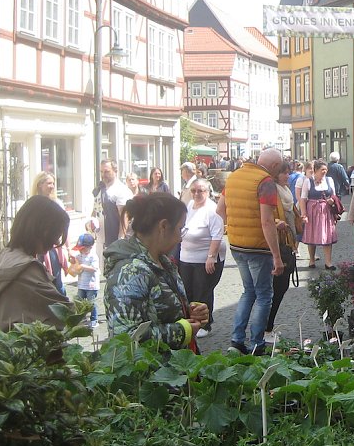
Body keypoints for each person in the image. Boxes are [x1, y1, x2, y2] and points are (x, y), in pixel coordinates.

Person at [104, 192, 209, 350]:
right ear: (163, 226)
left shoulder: (162, 261)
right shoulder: (129, 273)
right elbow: (127, 339)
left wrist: (190, 312)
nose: (180, 238)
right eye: (180, 229)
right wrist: (182, 331)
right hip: (155, 366)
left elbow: (163, 312)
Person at [216, 148, 285, 355]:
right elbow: (266, 221)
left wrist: (233, 228)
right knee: (264, 295)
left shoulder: (234, 177)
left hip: (237, 245)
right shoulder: (265, 181)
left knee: (248, 291)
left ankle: (237, 340)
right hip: (258, 247)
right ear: (274, 166)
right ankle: (257, 343)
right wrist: (277, 256)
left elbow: (220, 210)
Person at [0, 195, 72, 330]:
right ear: (41, 230)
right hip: (19, 342)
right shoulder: (27, 269)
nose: (56, 241)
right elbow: (66, 313)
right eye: (55, 233)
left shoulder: (5, 256)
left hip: (3, 340)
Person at [178, 178, 226, 339]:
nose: (196, 194)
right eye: (193, 191)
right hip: (186, 256)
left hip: (205, 258)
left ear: (208, 192)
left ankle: (205, 323)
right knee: (187, 291)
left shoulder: (212, 209)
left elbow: (217, 235)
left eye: (201, 191)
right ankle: (190, 321)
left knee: (202, 291)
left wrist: (211, 257)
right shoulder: (189, 205)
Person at [266, 161, 299, 343]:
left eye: (288, 172)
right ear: (275, 174)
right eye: (283, 173)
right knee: (276, 288)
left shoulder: (286, 192)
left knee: (281, 287)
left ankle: (267, 326)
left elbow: (292, 213)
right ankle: (266, 328)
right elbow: (265, 216)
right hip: (277, 244)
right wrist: (277, 222)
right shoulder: (273, 191)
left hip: (288, 244)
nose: (287, 176)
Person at [31, 171, 69, 294]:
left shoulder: (57, 203)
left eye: (53, 183)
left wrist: (67, 248)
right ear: (39, 185)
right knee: (38, 280)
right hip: (36, 247)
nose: (52, 186)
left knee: (56, 280)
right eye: (49, 183)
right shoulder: (33, 203)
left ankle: (62, 303)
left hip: (53, 247)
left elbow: (65, 227)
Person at [299, 160, 339, 270]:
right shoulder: (308, 181)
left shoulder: (329, 180)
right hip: (312, 211)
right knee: (311, 234)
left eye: (326, 169)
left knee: (327, 234)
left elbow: (334, 196)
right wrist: (304, 214)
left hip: (326, 211)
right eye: (322, 170)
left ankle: (328, 262)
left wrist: (332, 201)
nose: (325, 171)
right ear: (315, 170)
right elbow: (303, 199)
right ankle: (311, 260)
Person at [93, 159, 132, 251]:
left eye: (107, 171)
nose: (103, 174)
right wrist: (91, 222)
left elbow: (124, 217)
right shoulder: (100, 188)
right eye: (101, 172)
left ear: (115, 171)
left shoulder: (121, 190)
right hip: (100, 242)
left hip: (114, 243)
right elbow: (95, 210)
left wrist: (120, 240)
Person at [71, 233, 100, 328]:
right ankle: (82, 319)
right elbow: (74, 263)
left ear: (90, 247)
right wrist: (72, 260)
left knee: (91, 303)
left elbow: (94, 268)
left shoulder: (93, 256)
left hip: (91, 285)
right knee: (80, 302)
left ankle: (94, 320)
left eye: (83, 248)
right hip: (81, 284)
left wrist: (83, 266)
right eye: (80, 249)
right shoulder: (79, 256)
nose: (81, 250)